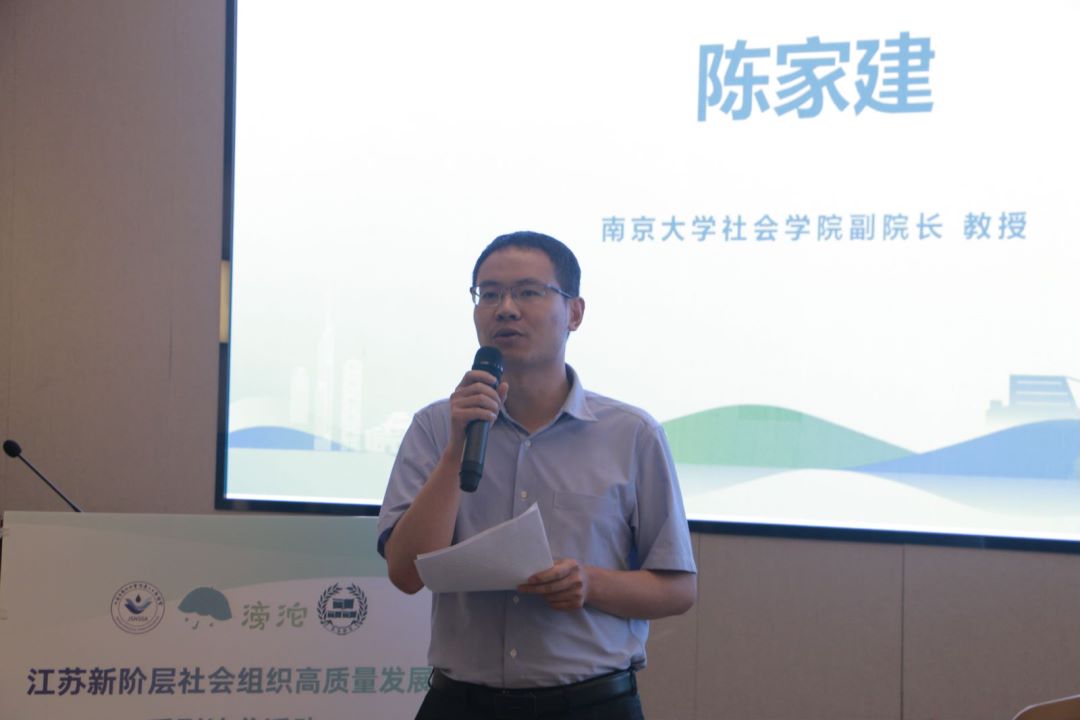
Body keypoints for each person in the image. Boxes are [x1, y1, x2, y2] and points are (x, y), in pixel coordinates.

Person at [377, 231, 697, 720]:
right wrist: (456, 449)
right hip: (461, 703)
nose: (505, 309)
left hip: (591, 704)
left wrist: (590, 583)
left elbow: (678, 590)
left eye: (528, 292)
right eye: (489, 294)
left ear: (575, 313)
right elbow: (405, 574)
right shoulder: (436, 426)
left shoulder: (632, 434)